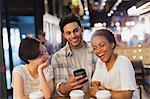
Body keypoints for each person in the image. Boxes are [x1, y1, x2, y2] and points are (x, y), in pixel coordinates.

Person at [51, 13, 97, 96]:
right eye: (68, 33)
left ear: (82, 29)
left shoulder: (95, 50)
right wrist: (68, 86)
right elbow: (59, 89)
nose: (73, 36)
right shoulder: (57, 57)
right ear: (64, 35)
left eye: (76, 31)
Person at [90, 29, 137, 99]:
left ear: (112, 45)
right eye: (95, 48)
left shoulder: (123, 62)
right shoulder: (100, 62)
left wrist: (101, 93)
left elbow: (127, 95)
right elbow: (95, 84)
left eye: (102, 45)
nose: (98, 51)